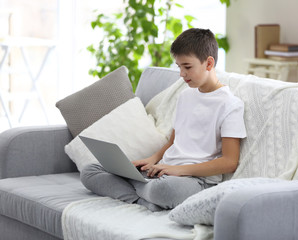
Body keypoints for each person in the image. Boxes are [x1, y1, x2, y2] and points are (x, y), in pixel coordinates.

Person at [80, 28, 247, 211]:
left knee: (162, 190)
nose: (182, 74)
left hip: (194, 180)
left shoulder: (230, 105)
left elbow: (229, 162)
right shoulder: (185, 96)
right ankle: (144, 199)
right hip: (163, 171)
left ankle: (141, 194)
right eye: (179, 67)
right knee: (91, 171)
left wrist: (179, 170)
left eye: (187, 67)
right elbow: (174, 141)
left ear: (208, 63)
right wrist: (152, 159)